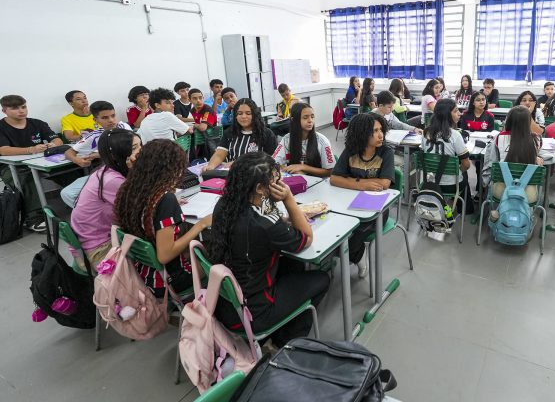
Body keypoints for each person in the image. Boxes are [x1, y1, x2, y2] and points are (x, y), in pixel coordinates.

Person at [207, 152, 329, 346]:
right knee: (322, 278)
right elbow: (306, 238)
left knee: (292, 264)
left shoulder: (227, 203)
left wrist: (285, 218)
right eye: (276, 180)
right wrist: (289, 199)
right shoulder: (265, 225)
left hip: (224, 303)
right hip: (254, 313)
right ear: (260, 188)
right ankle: (283, 342)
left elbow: (267, 214)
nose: (281, 183)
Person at [114, 139, 213, 298]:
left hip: (142, 270)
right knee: (217, 255)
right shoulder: (165, 200)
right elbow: (165, 255)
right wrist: (201, 224)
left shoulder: (130, 189)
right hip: (169, 278)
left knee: (197, 245)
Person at [331, 113, 394, 278]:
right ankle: (349, 254)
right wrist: (361, 184)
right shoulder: (351, 151)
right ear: (362, 133)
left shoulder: (386, 152)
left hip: (377, 207)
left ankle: (353, 255)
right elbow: (334, 178)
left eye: (381, 130)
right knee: (336, 222)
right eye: (375, 131)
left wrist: (351, 181)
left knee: (359, 227)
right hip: (349, 202)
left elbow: (384, 184)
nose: (380, 135)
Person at [70, 128, 141, 269]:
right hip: (99, 249)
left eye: (140, 145)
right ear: (116, 155)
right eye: (134, 148)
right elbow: (141, 210)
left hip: (90, 241)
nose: (141, 151)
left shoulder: (106, 170)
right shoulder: (112, 180)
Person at [0, 94, 64, 232]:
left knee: (69, 170)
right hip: (11, 167)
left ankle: (82, 203)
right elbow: (4, 150)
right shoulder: (1, 127)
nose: (21, 111)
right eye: (15, 108)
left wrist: (52, 145)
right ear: (4, 110)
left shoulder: (37, 123)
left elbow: (58, 140)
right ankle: (34, 218)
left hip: (41, 161)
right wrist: (30, 150)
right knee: (27, 179)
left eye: (23, 107)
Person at [60, 100, 132, 208]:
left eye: (113, 116)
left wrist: (99, 154)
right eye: (105, 118)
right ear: (95, 120)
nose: (111, 120)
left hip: (128, 171)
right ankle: (91, 215)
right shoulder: (94, 135)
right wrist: (77, 160)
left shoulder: (124, 127)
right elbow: (69, 152)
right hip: (107, 173)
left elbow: (128, 149)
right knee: (67, 193)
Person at [482, 105, 543, 202]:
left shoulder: (499, 138)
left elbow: (492, 163)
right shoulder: (536, 139)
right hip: (528, 193)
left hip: (501, 190)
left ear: (508, 120)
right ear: (528, 122)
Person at [422, 99, 473, 214]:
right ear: (447, 115)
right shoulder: (454, 134)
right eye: (456, 111)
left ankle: (444, 205)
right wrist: (457, 171)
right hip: (450, 186)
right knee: (463, 172)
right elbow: (466, 164)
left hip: (429, 182)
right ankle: (465, 210)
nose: (459, 113)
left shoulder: (426, 132)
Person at [203, 98, 277, 171]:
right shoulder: (229, 133)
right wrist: (210, 166)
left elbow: (271, 160)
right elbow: (219, 155)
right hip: (234, 174)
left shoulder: (267, 134)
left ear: (255, 115)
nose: (243, 116)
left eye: (248, 113)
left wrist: (239, 163)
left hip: (257, 174)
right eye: (240, 113)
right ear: (235, 116)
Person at [272, 102, 336, 177]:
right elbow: (273, 163)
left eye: (312, 117)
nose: (310, 121)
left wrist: (303, 167)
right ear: (293, 120)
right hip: (296, 181)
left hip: (318, 181)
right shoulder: (286, 139)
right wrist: (288, 169)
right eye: (305, 117)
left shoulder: (322, 141)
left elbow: (330, 171)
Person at [458, 91, 494, 197]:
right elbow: (463, 131)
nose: (481, 102)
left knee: (480, 164)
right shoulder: (465, 115)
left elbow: (491, 134)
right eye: (478, 100)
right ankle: (463, 189)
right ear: (473, 103)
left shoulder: (489, 116)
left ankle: (481, 189)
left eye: (483, 99)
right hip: (468, 144)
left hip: (483, 145)